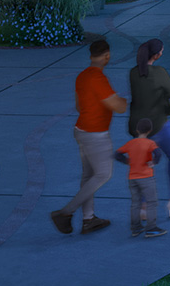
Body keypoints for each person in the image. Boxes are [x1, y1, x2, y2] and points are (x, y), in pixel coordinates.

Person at [49, 40, 128, 235]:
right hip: (96, 134)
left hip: (81, 130)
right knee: (103, 174)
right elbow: (118, 106)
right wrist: (123, 100)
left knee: (88, 176)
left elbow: (78, 106)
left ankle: (88, 219)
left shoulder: (82, 76)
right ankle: (66, 213)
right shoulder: (98, 79)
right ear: (107, 56)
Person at [129, 38, 170, 220]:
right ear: (157, 55)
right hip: (156, 125)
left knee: (144, 163)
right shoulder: (159, 72)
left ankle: (144, 206)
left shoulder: (133, 73)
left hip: (136, 127)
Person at [113, 117, 166, 238]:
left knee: (135, 203)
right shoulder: (150, 143)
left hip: (132, 177)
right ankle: (151, 228)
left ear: (137, 130)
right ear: (149, 130)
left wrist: (127, 161)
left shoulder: (131, 143)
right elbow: (158, 153)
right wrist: (153, 162)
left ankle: (135, 228)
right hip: (146, 177)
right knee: (151, 202)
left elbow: (117, 154)